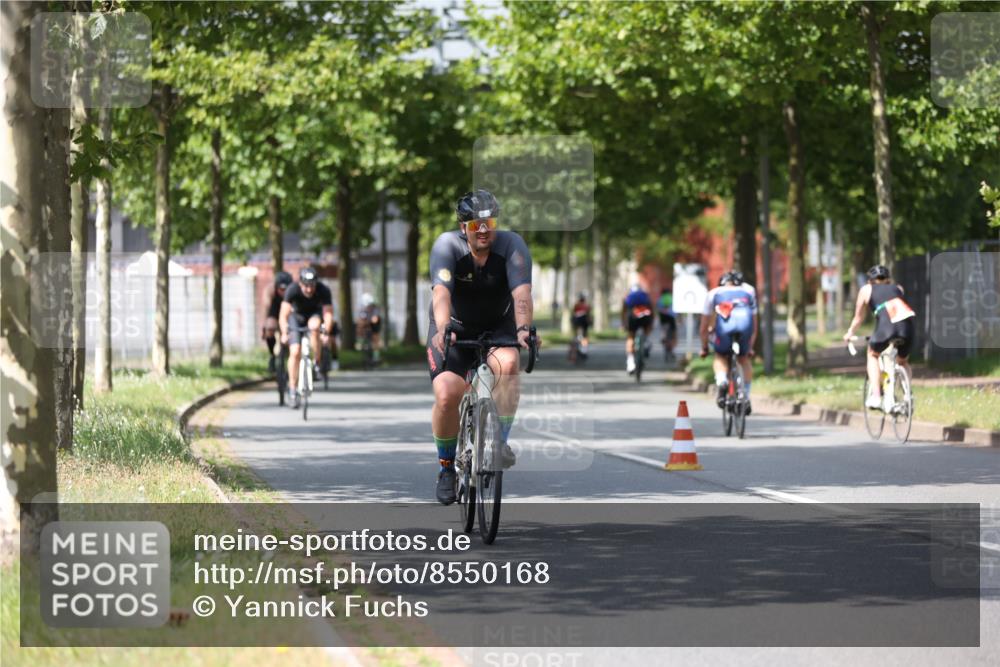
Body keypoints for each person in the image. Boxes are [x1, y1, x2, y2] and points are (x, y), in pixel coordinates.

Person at [427, 189, 535, 505]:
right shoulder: (446, 247)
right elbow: (441, 295)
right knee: (447, 393)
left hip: (499, 325)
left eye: (489, 222)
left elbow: (522, 294)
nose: (484, 229)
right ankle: (447, 466)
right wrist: (443, 327)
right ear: (464, 228)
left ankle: (498, 443)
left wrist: (524, 328)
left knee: (510, 364)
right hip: (455, 328)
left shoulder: (512, 246)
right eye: (476, 225)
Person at [843, 264, 916, 409]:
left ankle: (876, 395)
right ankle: (907, 393)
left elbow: (858, 318)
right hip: (907, 327)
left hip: (886, 327)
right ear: (888, 280)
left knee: (872, 354)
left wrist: (850, 332)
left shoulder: (866, 289)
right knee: (903, 362)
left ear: (870, 280)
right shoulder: (899, 288)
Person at [700, 271, 757, 414]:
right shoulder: (748, 291)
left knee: (720, 355)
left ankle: (722, 381)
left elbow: (703, 327)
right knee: (743, 359)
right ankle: (746, 395)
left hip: (724, 330)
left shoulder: (714, 293)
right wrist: (750, 347)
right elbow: (754, 324)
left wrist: (704, 347)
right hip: (745, 328)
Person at [279, 266, 335, 409]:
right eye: (306, 286)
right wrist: (285, 333)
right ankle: (292, 389)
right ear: (300, 284)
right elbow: (283, 314)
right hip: (295, 318)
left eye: (312, 286)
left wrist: (326, 333)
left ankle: (316, 363)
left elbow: (328, 314)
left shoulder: (324, 290)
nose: (309, 290)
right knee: (295, 351)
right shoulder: (292, 289)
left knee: (315, 326)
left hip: (313, 316)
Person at [262, 271, 293, 373]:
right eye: (281, 289)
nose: (284, 292)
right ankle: (272, 356)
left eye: (286, 289)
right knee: (269, 328)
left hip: (290, 311)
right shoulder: (270, 291)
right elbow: (266, 310)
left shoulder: (294, 291)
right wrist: (264, 327)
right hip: (275, 310)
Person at [621, 283, 653, 374]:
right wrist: (650, 325)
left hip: (632, 317)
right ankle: (645, 343)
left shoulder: (628, 297)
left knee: (630, 337)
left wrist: (623, 324)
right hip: (646, 317)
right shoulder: (645, 296)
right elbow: (652, 310)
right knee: (646, 331)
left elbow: (624, 312)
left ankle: (630, 363)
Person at [356, 293, 382, 363]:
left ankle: (376, 356)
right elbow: (360, 319)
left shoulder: (375, 308)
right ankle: (362, 343)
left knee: (375, 338)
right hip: (366, 326)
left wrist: (368, 321)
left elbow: (375, 319)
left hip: (374, 326)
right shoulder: (363, 309)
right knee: (360, 328)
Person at [657, 288, 677, 360]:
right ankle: (672, 349)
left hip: (663, 318)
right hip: (671, 317)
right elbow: (676, 309)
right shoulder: (671, 298)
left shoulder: (660, 299)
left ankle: (664, 337)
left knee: (664, 330)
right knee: (673, 335)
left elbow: (658, 308)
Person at [571, 292, 592, 357]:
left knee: (577, 334)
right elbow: (588, 315)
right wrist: (590, 322)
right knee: (585, 336)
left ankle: (577, 342)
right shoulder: (587, 306)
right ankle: (584, 350)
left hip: (577, 321)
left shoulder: (576, 305)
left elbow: (573, 314)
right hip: (583, 321)